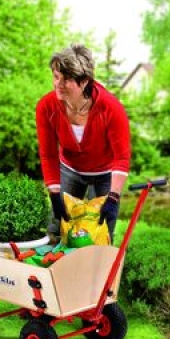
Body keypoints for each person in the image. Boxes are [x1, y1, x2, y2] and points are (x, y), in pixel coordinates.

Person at [36, 44, 131, 244]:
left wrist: (112, 197)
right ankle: (54, 269)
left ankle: (100, 272)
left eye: (67, 79)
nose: (58, 84)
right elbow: (48, 155)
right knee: (57, 226)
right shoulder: (46, 107)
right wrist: (55, 196)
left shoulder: (110, 107)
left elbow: (121, 157)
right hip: (70, 169)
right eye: (56, 76)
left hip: (104, 173)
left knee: (102, 229)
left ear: (84, 81)